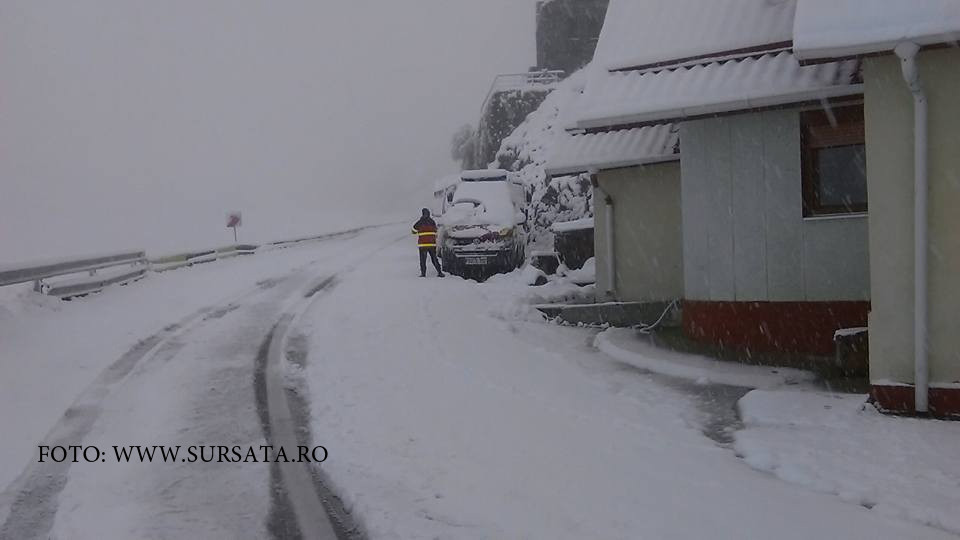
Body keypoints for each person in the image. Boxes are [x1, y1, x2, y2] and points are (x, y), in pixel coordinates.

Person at [412, 208, 444, 278]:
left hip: (423, 245)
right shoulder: (432, 221)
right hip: (432, 244)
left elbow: (413, 230)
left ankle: (423, 273)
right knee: (434, 259)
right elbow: (436, 230)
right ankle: (439, 272)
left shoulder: (420, 222)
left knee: (423, 260)